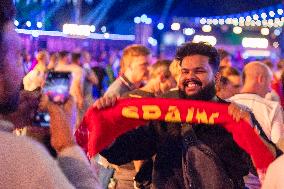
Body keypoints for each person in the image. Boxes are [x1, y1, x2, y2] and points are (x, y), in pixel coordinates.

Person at [94, 42, 257, 188]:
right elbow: (126, 150)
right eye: (185, 71)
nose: (190, 77)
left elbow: (261, 166)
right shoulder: (165, 113)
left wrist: (251, 132)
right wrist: (106, 126)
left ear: (216, 77)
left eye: (199, 71)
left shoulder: (234, 115)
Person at [0, 1, 101, 188]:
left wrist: (7, 119)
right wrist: (67, 146)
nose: (23, 71)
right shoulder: (25, 159)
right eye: (17, 57)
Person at [230, 62, 284, 144]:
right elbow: (279, 146)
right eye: (270, 83)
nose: (270, 90)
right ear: (261, 79)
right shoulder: (272, 108)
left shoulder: (226, 103)